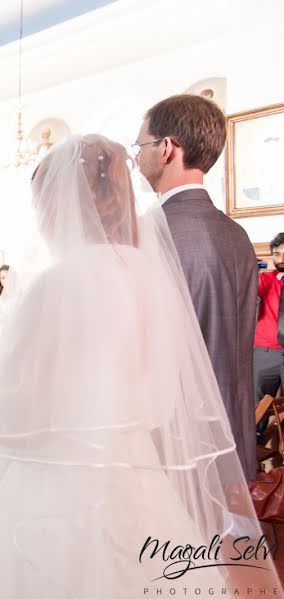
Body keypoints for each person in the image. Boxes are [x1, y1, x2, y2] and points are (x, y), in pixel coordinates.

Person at [0, 134, 279, 597]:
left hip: (58, 491)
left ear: (62, 206)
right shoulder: (151, 276)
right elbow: (160, 399)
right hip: (137, 481)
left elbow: (19, 416)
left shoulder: (57, 285)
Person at [135, 94, 258, 479]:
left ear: (166, 148)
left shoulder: (149, 233)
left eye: (141, 146)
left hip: (175, 444)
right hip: (230, 434)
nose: (137, 157)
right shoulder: (238, 235)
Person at [254, 232, 284, 401]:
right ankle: (257, 429)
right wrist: (250, 273)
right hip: (264, 352)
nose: (281, 259)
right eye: (277, 254)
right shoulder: (263, 279)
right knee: (258, 407)